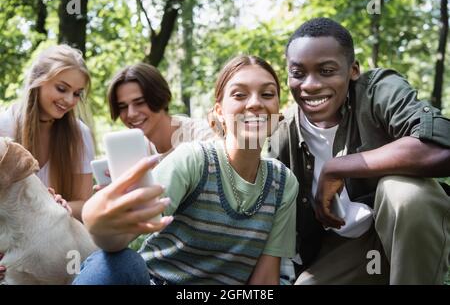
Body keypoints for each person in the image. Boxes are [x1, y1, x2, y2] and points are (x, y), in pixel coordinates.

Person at [74, 55, 299, 285]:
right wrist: (97, 218)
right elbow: (121, 234)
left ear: (277, 110)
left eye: (268, 94)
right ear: (219, 111)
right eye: (239, 94)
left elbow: (265, 281)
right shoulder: (192, 159)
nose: (255, 103)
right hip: (156, 279)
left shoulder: (283, 183)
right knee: (118, 262)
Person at [269, 17, 450, 284]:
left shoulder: (377, 91)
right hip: (347, 246)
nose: (310, 85)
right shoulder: (283, 135)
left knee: (404, 192)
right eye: (298, 73)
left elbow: (440, 146)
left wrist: (336, 168)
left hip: (411, 233)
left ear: (353, 70)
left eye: (327, 71)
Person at [0, 44, 95, 221]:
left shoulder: (79, 134)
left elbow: (84, 204)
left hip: (56, 239)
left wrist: (59, 206)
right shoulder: (4, 126)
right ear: (38, 80)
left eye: (76, 94)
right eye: (61, 88)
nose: (69, 100)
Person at [107, 63, 214, 160]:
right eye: (122, 107)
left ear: (159, 96)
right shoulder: (135, 151)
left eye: (139, 102)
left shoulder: (203, 138)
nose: (131, 114)